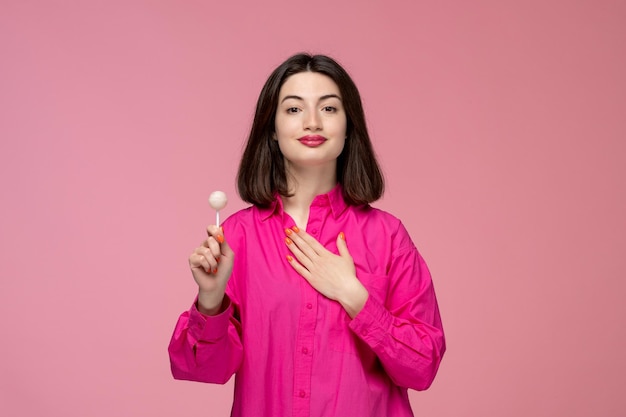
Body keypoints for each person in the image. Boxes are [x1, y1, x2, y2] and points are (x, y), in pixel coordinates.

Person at [168, 53, 445, 417]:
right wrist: (210, 299)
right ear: (272, 128)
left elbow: (422, 367)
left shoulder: (388, 235)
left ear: (349, 127)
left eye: (329, 109)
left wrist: (355, 297)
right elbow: (202, 369)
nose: (312, 122)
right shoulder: (237, 237)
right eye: (294, 110)